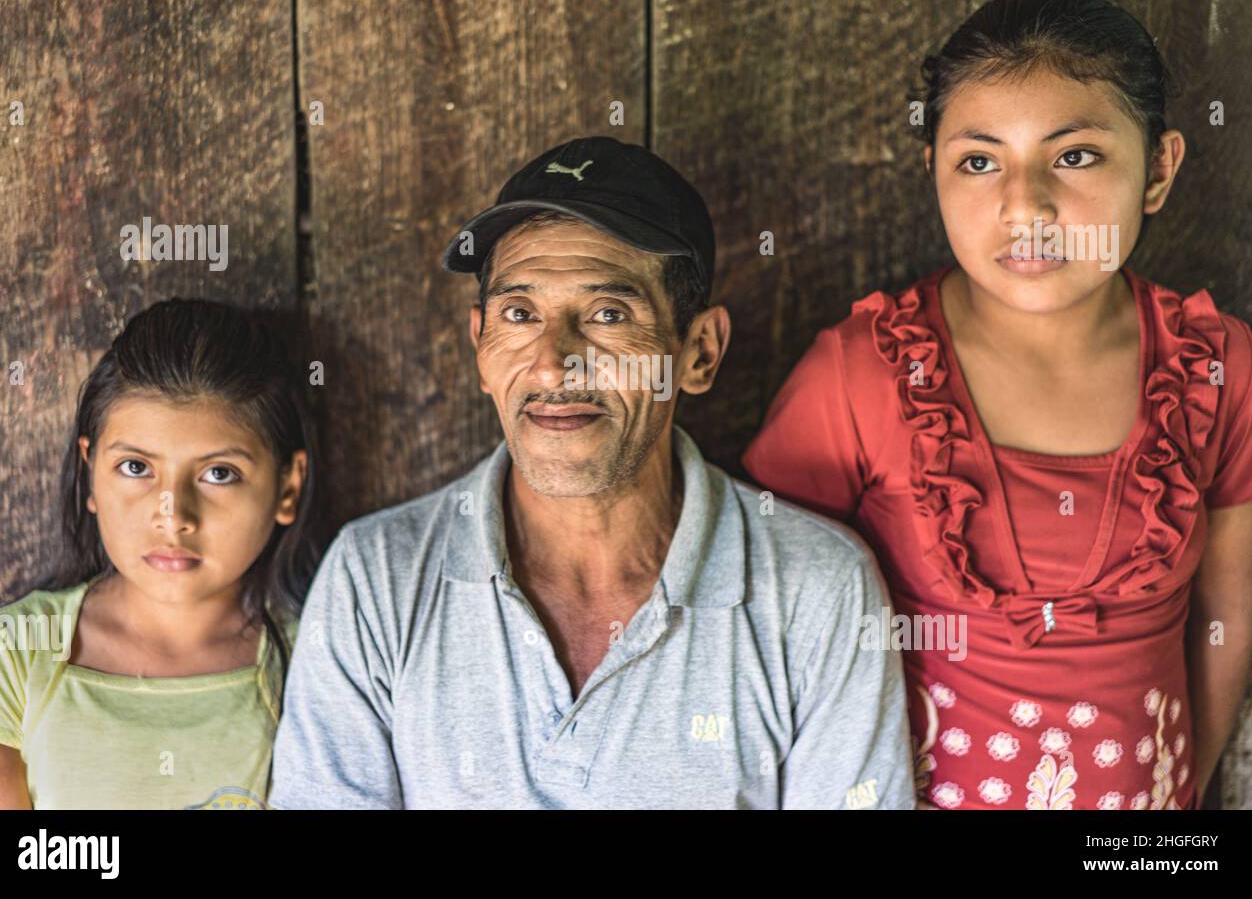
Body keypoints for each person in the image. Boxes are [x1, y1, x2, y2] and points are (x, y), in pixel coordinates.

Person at [269, 135, 916, 809]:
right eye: (519, 315)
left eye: (610, 314)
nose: (553, 365)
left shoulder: (816, 589)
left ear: (699, 352)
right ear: (480, 348)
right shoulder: (376, 580)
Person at [743, 0, 1252, 810]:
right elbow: (768, 615)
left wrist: (1180, 797)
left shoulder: (1219, 370)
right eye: (979, 161)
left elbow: (1227, 608)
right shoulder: (859, 375)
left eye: (1075, 155)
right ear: (934, 175)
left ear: (1159, 169)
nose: (1025, 205)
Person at [0, 299, 322, 809]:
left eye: (218, 473)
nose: (172, 513)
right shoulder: (12, 653)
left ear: (288, 487)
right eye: (136, 467)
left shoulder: (321, 656)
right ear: (92, 471)